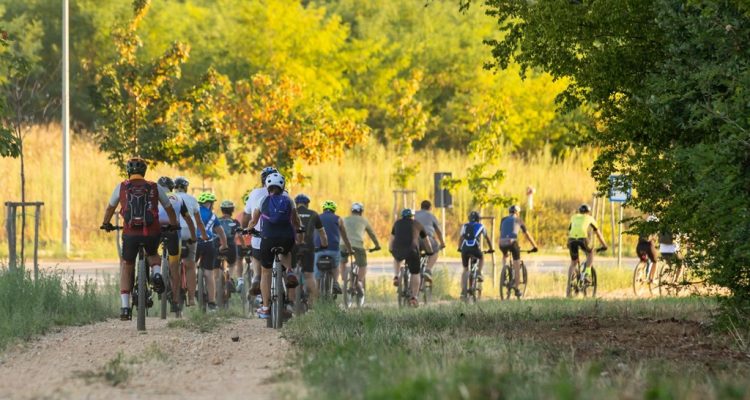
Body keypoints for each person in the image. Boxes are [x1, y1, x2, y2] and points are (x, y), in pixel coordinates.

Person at [100, 157, 179, 321]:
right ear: (144, 171)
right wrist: (173, 224)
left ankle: (125, 308)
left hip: (130, 234)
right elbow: (169, 208)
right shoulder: (154, 186)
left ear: (128, 171)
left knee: (127, 265)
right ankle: (156, 274)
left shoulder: (121, 187)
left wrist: (106, 223)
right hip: (151, 232)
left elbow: (110, 208)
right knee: (153, 254)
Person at [246, 173, 302, 319]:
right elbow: (295, 221)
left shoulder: (262, 200)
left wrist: (248, 229)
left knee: (266, 272)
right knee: (286, 252)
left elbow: (254, 221)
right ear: (282, 187)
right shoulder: (289, 200)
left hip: (268, 239)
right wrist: (299, 228)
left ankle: (265, 308)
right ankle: (289, 271)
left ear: (267, 186)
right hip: (287, 238)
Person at [157, 176, 197, 313]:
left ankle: (152, 274)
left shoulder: (153, 195)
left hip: (156, 232)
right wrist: (193, 237)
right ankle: (175, 301)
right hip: (173, 234)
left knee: (149, 254)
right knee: (174, 267)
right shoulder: (178, 198)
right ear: (171, 188)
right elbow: (189, 220)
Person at [241, 167, 280, 298]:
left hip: (260, 237)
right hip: (281, 237)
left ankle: (257, 277)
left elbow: (246, 215)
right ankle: (286, 277)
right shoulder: (285, 194)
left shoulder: (254, 193)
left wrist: (244, 229)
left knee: (257, 258)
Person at [173, 176, 209, 307]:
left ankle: (174, 295)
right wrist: (204, 236)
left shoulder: (171, 198)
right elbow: (199, 222)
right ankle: (192, 298)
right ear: (186, 188)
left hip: (174, 231)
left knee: (173, 264)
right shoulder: (192, 199)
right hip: (189, 231)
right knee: (190, 265)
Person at [390, 208, 433, 307]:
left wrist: (391, 250)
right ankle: (414, 297)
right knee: (415, 272)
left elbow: (391, 239)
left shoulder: (397, 224)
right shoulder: (417, 224)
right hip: (412, 251)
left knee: (397, 259)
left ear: (402, 216)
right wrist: (430, 251)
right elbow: (426, 241)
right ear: (413, 216)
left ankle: (396, 276)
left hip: (398, 249)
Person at [195, 192, 229, 312]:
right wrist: (224, 245)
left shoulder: (192, 212)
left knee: (190, 266)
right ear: (209, 204)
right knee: (209, 273)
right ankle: (212, 303)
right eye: (213, 203)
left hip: (194, 243)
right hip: (208, 243)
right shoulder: (212, 216)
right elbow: (221, 232)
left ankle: (192, 289)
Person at [312, 200, 352, 295]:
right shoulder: (338, 219)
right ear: (334, 210)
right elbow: (345, 237)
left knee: (316, 273)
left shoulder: (317, 218)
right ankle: (334, 282)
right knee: (335, 265)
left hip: (318, 249)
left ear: (323, 209)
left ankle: (317, 291)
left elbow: (311, 233)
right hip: (333, 249)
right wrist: (350, 249)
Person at [341, 202, 381, 296]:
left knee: (342, 261)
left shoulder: (344, 219)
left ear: (352, 211)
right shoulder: (364, 220)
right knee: (363, 265)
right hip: (357, 245)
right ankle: (358, 281)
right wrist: (377, 246)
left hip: (343, 244)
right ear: (361, 212)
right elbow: (372, 234)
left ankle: (344, 279)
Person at [294, 194, 328, 303]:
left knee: (289, 273)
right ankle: (313, 305)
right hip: (308, 247)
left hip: (293, 247)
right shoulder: (313, 214)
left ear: (296, 204)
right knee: (309, 275)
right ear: (307, 204)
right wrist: (324, 245)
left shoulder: (291, 213)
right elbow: (322, 233)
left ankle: (290, 302)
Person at [499, 205, 538, 298]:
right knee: (516, 263)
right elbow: (527, 234)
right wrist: (535, 246)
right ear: (517, 212)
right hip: (512, 242)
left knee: (505, 255)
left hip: (501, 243)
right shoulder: (519, 220)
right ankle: (517, 288)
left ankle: (504, 272)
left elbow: (502, 232)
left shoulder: (503, 219)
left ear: (510, 212)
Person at [567, 204, 608, 280]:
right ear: (588, 212)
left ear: (579, 211)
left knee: (573, 262)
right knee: (591, 252)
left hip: (571, 240)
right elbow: (598, 234)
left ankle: (569, 283)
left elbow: (570, 230)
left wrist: (568, 243)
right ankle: (587, 274)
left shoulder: (573, 217)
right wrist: (604, 245)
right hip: (582, 239)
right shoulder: (590, 218)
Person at [458, 211, 494, 298]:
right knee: (481, 257)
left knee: (465, 269)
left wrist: (459, 248)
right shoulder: (481, 226)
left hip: (465, 249)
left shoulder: (464, 226)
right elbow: (487, 238)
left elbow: (461, 238)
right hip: (474, 248)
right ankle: (478, 272)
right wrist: (491, 249)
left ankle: (463, 290)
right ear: (478, 219)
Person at [414, 200, 446, 282]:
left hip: (414, 239)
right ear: (430, 208)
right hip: (426, 238)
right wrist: (442, 243)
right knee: (435, 251)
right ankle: (428, 270)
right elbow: (438, 232)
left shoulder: (414, 214)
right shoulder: (431, 216)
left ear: (421, 207)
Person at [217, 200, 241, 286]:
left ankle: (218, 279)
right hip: (230, 247)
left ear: (222, 210)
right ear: (232, 210)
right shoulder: (235, 222)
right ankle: (229, 277)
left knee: (216, 264)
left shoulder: (217, 220)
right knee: (232, 263)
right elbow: (239, 236)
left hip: (218, 246)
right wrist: (244, 246)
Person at [636, 215, 659, 282]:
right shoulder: (654, 229)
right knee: (655, 261)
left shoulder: (642, 228)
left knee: (643, 260)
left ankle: (639, 275)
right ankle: (652, 279)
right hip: (648, 247)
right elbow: (654, 239)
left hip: (639, 246)